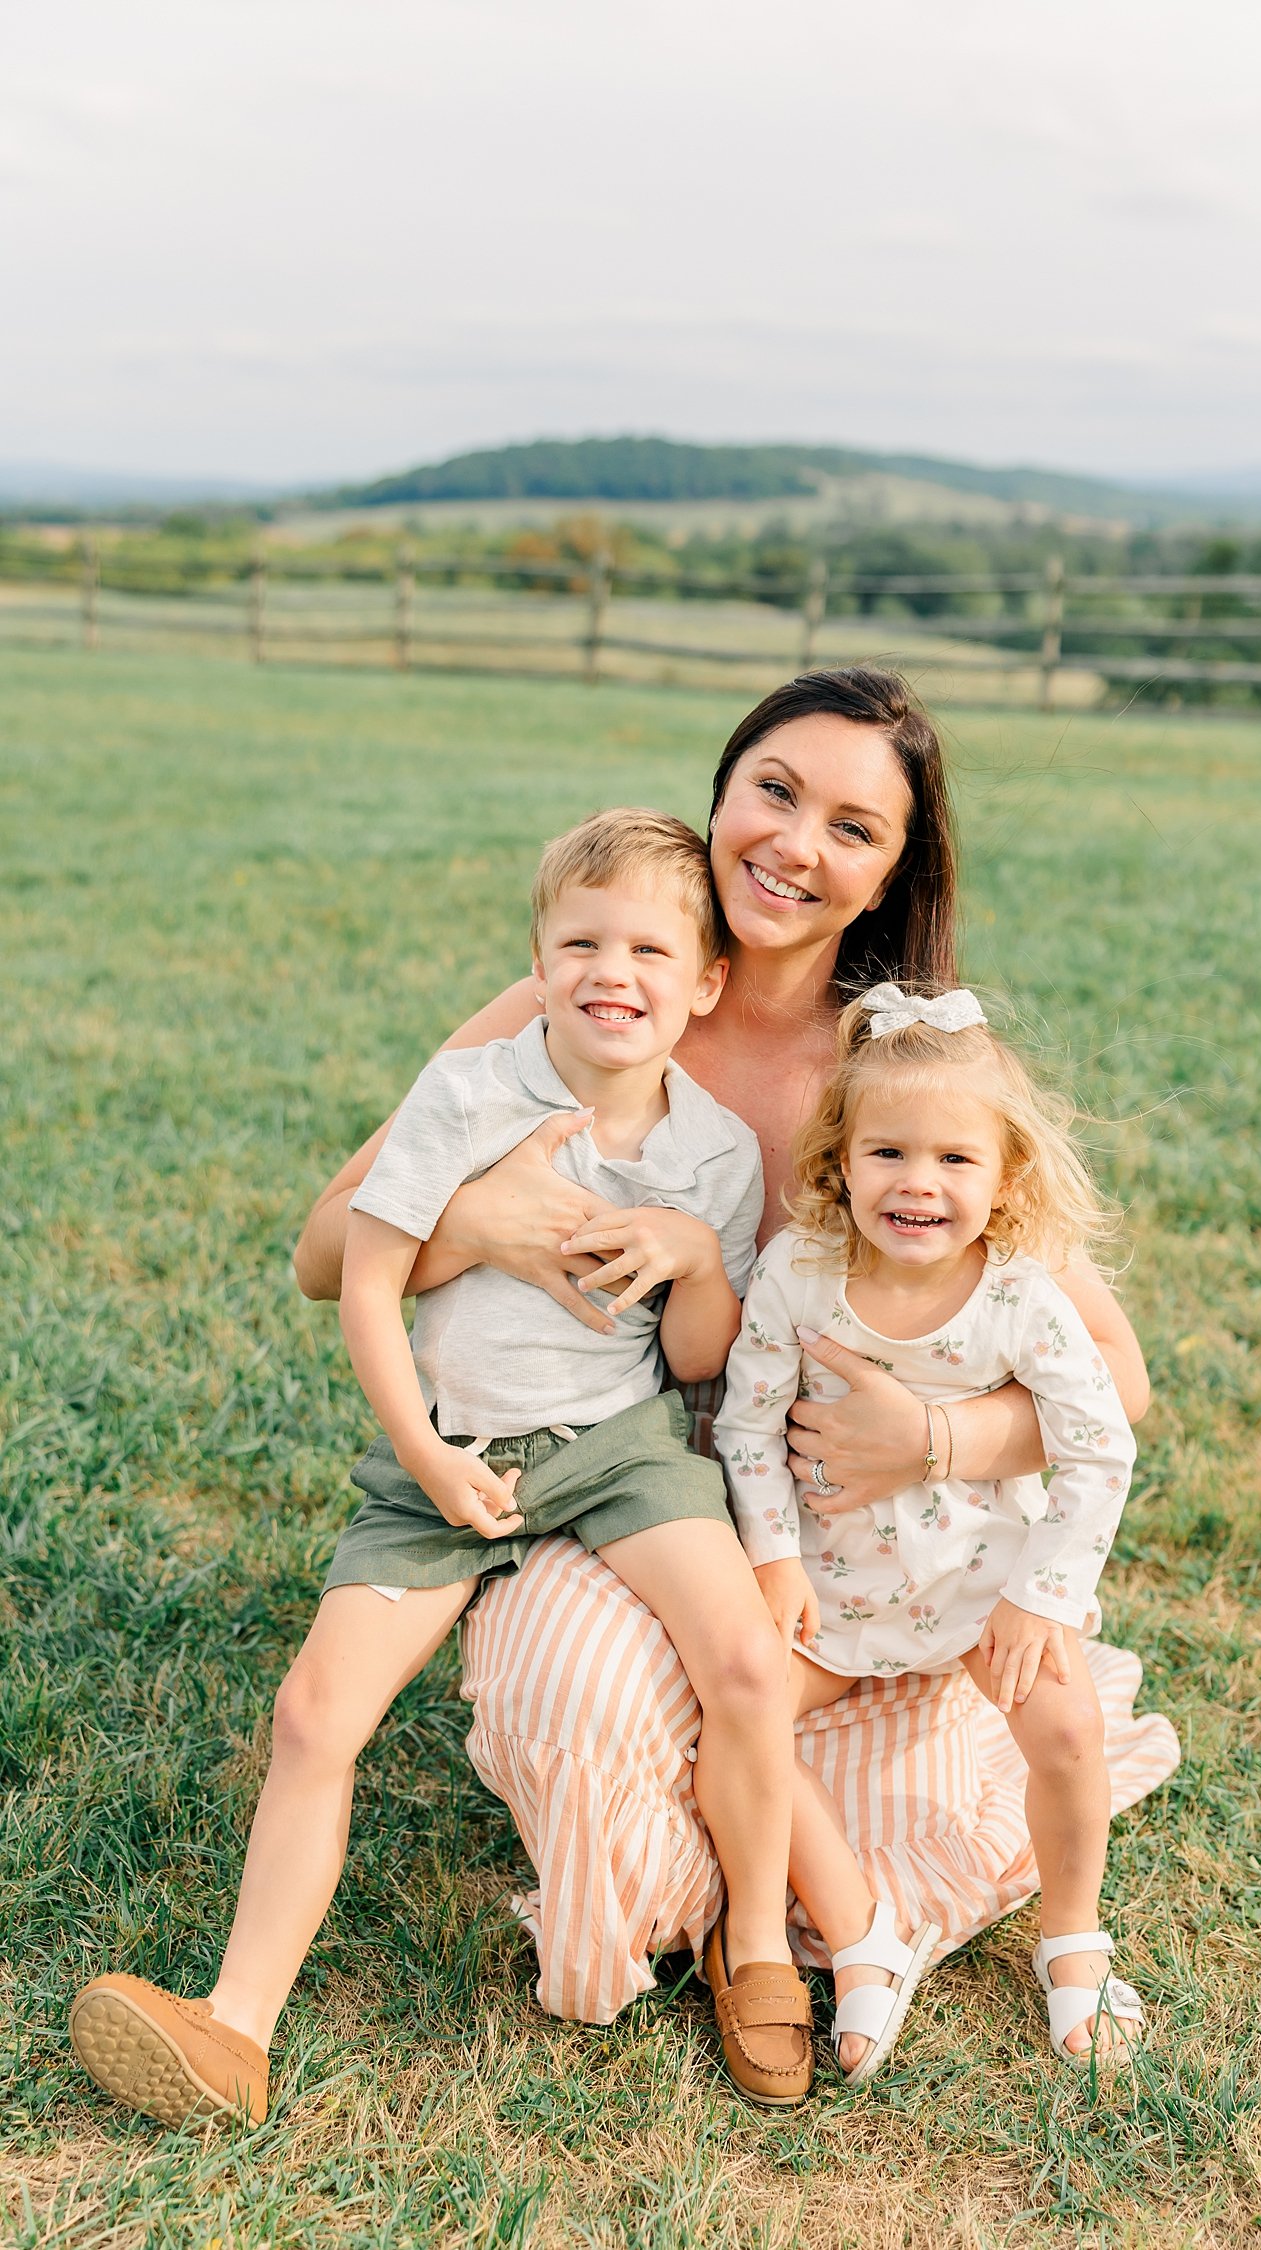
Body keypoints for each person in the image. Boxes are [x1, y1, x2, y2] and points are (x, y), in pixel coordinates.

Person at [291, 667, 1175, 2036]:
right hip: (610, 1469)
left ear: (888, 874)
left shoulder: (906, 1066)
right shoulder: (597, 984)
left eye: (852, 826)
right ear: (719, 794)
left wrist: (935, 1439)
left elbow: (1116, 1379)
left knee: (828, 1711)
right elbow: (323, 1253)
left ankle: (777, 1894)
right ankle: (718, 1890)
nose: (796, 844)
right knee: (586, 1716)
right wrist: (476, 1224)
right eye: (774, 791)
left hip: (833, 1523)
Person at [69, 809, 816, 2126]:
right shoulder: (469, 1095)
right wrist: (420, 1449)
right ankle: (232, 2029)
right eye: (580, 940)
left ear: (704, 984)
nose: (613, 970)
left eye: (650, 947)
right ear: (535, 959)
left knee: (748, 1660)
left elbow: (699, 1354)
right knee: (314, 1713)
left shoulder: (710, 1150)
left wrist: (695, 1253)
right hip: (448, 1451)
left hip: (621, 1451)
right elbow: (360, 1283)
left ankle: (756, 1937)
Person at [717, 983, 1146, 2080]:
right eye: (889, 1153)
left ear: (1006, 1179)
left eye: (956, 1160)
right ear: (839, 1163)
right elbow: (748, 1426)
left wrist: (1038, 1601)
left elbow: (1100, 1447)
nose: (919, 1183)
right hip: (833, 1580)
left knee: (1066, 1727)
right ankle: (863, 1935)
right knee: (738, 1717)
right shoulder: (799, 1274)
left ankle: (1073, 1939)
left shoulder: (1019, 1296)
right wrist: (771, 1561)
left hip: (980, 1582)